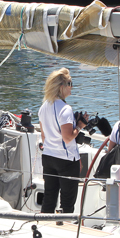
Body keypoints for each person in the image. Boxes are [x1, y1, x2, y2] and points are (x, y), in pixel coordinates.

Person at [38, 69, 87, 214]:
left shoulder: (43, 107)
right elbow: (67, 137)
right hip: (65, 160)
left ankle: (44, 225)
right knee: (67, 201)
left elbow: (44, 136)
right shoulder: (65, 109)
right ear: (61, 86)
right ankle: (66, 229)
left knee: (49, 197)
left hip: (48, 157)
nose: (71, 87)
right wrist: (80, 125)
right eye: (70, 83)